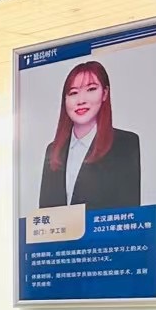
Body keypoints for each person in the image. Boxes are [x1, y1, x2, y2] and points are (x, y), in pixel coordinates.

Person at [37, 60, 142, 211]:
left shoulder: (125, 144)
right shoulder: (54, 150)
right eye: (73, 93)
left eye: (91, 89)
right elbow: (45, 213)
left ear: (104, 93)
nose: (81, 100)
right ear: (65, 100)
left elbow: (129, 211)